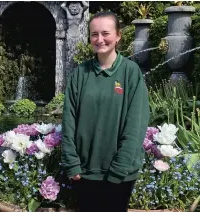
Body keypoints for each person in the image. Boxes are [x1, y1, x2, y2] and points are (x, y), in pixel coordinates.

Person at [61, 11, 150, 212]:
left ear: (118, 35)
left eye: (105, 33)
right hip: (84, 172)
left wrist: (120, 167)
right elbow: (68, 121)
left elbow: (136, 123)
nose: (99, 39)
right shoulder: (79, 74)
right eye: (94, 34)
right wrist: (72, 163)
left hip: (119, 174)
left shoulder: (130, 72)